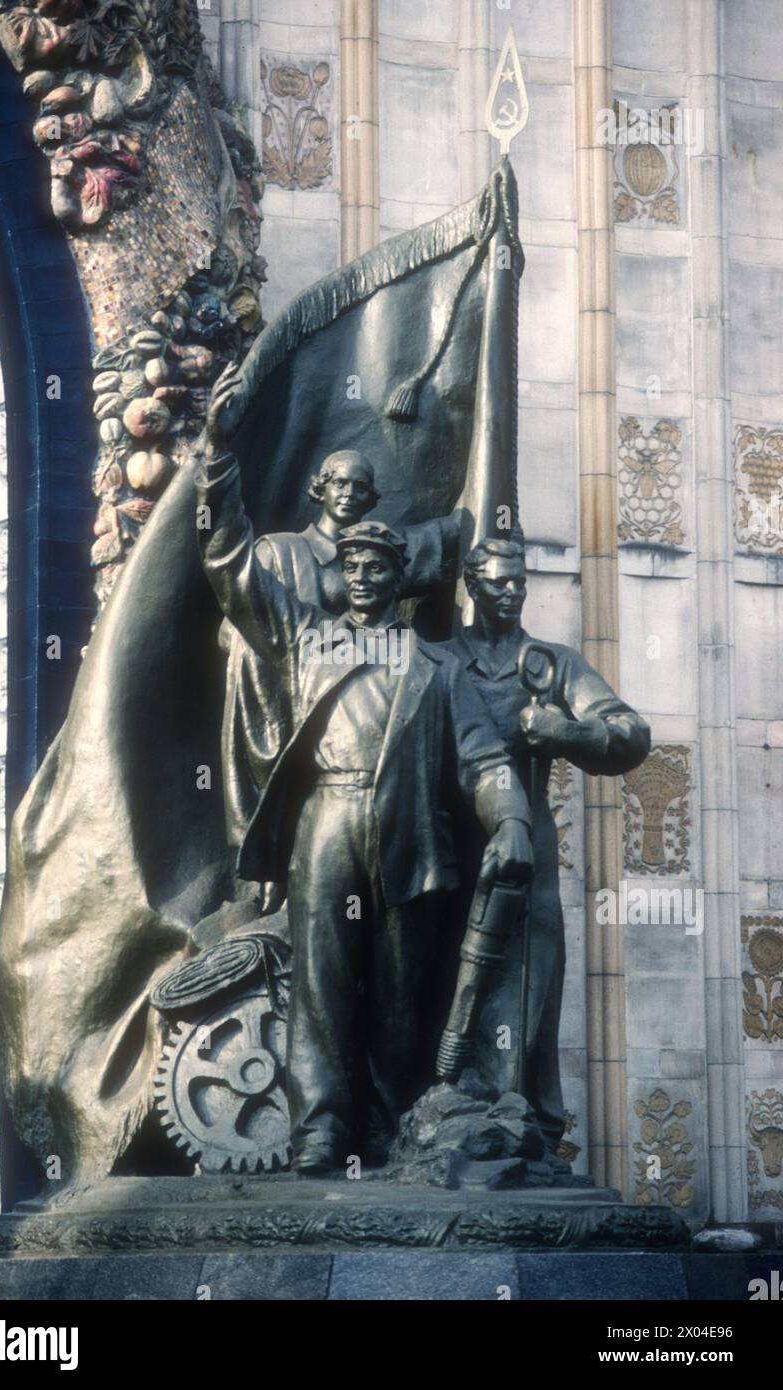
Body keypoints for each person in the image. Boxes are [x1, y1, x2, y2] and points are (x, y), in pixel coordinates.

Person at [196, 367, 534, 1174]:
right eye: (353, 569)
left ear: (399, 581)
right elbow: (227, 561)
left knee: (399, 993)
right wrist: (217, 452)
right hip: (328, 825)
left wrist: (512, 817)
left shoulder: (438, 669)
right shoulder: (303, 643)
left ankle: (386, 1131)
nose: (365, 579)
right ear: (341, 576)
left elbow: (486, 758)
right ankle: (321, 1127)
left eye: (380, 570)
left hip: (410, 837)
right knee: (321, 987)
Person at [443, 535, 650, 1151]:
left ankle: (520, 1116)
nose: (511, 592)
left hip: (526, 842)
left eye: (519, 582)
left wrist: (567, 731)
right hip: (450, 842)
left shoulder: (551, 664)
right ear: (473, 587)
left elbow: (630, 732)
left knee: (530, 978)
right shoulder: (440, 658)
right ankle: (444, 1106)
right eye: (498, 582)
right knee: (441, 983)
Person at [219, 447, 461, 911]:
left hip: (361, 725)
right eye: (339, 482)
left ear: (372, 498)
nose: (349, 493)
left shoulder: (381, 554)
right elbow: (234, 634)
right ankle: (265, 853)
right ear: (319, 488)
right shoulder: (279, 552)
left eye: (360, 487)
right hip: (288, 704)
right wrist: (304, 660)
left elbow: (451, 536)